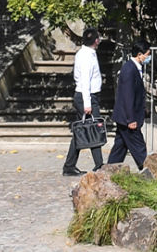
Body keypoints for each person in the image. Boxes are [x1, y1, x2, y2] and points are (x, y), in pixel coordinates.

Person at [61, 27, 105, 179]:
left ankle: (69, 165)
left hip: (88, 95)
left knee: (81, 130)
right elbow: (85, 80)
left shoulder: (86, 53)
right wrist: (87, 103)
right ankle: (99, 164)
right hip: (87, 96)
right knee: (94, 129)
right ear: (96, 41)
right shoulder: (86, 56)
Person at [107, 41, 151, 171]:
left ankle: (109, 171)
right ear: (139, 54)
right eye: (147, 54)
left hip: (127, 117)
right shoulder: (129, 69)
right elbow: (128, 96)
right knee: (139, 148)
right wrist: (131, 119)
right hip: (128, 118)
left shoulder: (135, 68)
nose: (148, 57)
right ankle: (149, 172)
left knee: (119, 148)